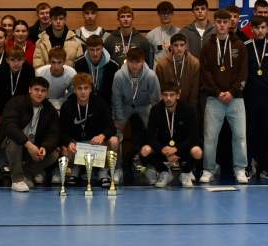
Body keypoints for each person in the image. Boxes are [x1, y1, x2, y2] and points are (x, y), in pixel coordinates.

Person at [199, 8, 249, 185]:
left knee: (240, 136)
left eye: (225, 22)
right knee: (210, 137)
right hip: (214, 99)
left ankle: (240, 169)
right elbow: (205, 73)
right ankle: (208, 169)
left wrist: (232, 92)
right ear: (215, 23)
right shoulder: (207, 46)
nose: (221, 25)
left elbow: (243, 72)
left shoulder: (239, 45)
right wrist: (217, 92)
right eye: (219, 22)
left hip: (236, 99)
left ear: (230, 24)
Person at [1, 77, 61, 192]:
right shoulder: (16, 102)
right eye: (36, 89)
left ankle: (26, 174)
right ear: (30, 90)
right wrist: (28, 144)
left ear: (47, 93)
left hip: (35, 147)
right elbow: (9, 126)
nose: (39, 93)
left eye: (43, 91)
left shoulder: (50, 110)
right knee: (15, 140)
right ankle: (17, 179)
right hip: (12, 145)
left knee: (54, 153)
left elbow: (53, 134)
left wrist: (44, 147)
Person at [110, 46, 160, 185]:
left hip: (145, 106)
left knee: (153, 133)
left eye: (138, 62)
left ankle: (151, 168)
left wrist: (155, 121)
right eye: (132, 62)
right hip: (125, 105)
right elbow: (116, 99)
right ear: (127, 61)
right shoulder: (119, 76)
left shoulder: (151, 76)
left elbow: (156, 100)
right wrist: (119, 118)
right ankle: (117, 169)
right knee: (116, 134)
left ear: (143, 61)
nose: (134, 65)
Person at [59, 71, 118, 186]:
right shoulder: (67, 105)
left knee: (114, 141)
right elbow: (61, 131)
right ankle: (74, 171)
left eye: (86, 88)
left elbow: (111, 127)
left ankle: (104, 172)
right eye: (79, 88)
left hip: (95, 144)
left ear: (91, 89)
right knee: (64, 147)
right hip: (76, 145)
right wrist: (68, 142)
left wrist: (102, 135)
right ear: (74, 90)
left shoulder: (100, 103)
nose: (83, 92)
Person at [244, 15, 268, 180]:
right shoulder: (245, 46)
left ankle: (265, 167)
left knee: (266, 132)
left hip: (267, 97)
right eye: (257, 28)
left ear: (267, 29)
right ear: (251, 29)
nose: (260, 31)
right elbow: (243, 72)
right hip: (249, 97)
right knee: (249, 132)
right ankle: (248, 165)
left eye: (262, 28)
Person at [141, 81, 200, 188]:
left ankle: (185, 173)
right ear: (161, 96)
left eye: (172, 95)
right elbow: (150, 136)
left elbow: (194, 136)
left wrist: (176, 149)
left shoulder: (188, 109)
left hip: (181, 148)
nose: (168, 98)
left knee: (197, 151)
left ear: (178, 95)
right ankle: (164, 172)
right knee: (145, 150)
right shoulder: (155, 110)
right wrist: (162, 149)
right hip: (163, 149)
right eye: (165, 95)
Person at [154, 33, 200, 117]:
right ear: (171, 47)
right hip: (168, 104)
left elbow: (194, 91)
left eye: (182, 45)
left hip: (187, 105)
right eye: (176, 45)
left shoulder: (195, 64)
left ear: (186, 46)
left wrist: (191, 110)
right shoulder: (161, 65)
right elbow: (159, 89)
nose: (179, 48)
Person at [0, 43, 35, 113]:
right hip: (4, 107)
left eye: (19, 60)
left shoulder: (29, 70)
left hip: (23, 108)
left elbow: (29, 93)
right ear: (7, 60)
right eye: (12, 60)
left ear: (24, 60)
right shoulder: (0, 71)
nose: (16, 64)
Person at [35, 45, 76, 110]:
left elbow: (72, 93)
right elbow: (35, 92)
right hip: (43, 103)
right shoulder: (40, 73)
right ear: (49, 61)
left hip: (62, 103)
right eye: (53, 62)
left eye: (59, 62)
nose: (56, 67)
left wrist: (63, 102)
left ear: (64, 62)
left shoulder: (72, 73)